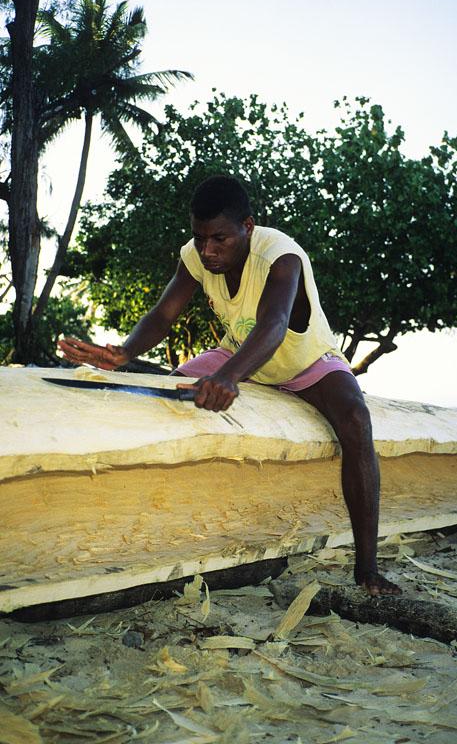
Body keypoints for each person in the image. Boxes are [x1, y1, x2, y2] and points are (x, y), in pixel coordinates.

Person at [59, 175, 400, 596]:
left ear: (248, 227)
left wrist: (228, 377)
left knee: (355, 419)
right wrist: (125, 353)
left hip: (305, 361)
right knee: (168, 396)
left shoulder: (281, 255)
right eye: (200, 238)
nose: (208, 250)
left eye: (220, 238)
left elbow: (274, 325)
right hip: (236, 352)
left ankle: (367, 569)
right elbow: (164, 315)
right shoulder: (196, 255)